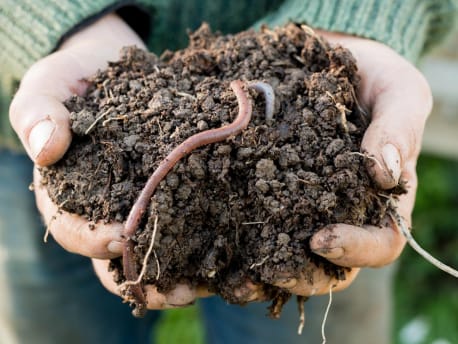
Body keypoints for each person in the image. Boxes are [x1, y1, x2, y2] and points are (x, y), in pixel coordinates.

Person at [1, 1, 456, 343]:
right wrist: (63, 23)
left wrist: (365, 16)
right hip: (64, 126)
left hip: (317, 173)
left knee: (314, 265)